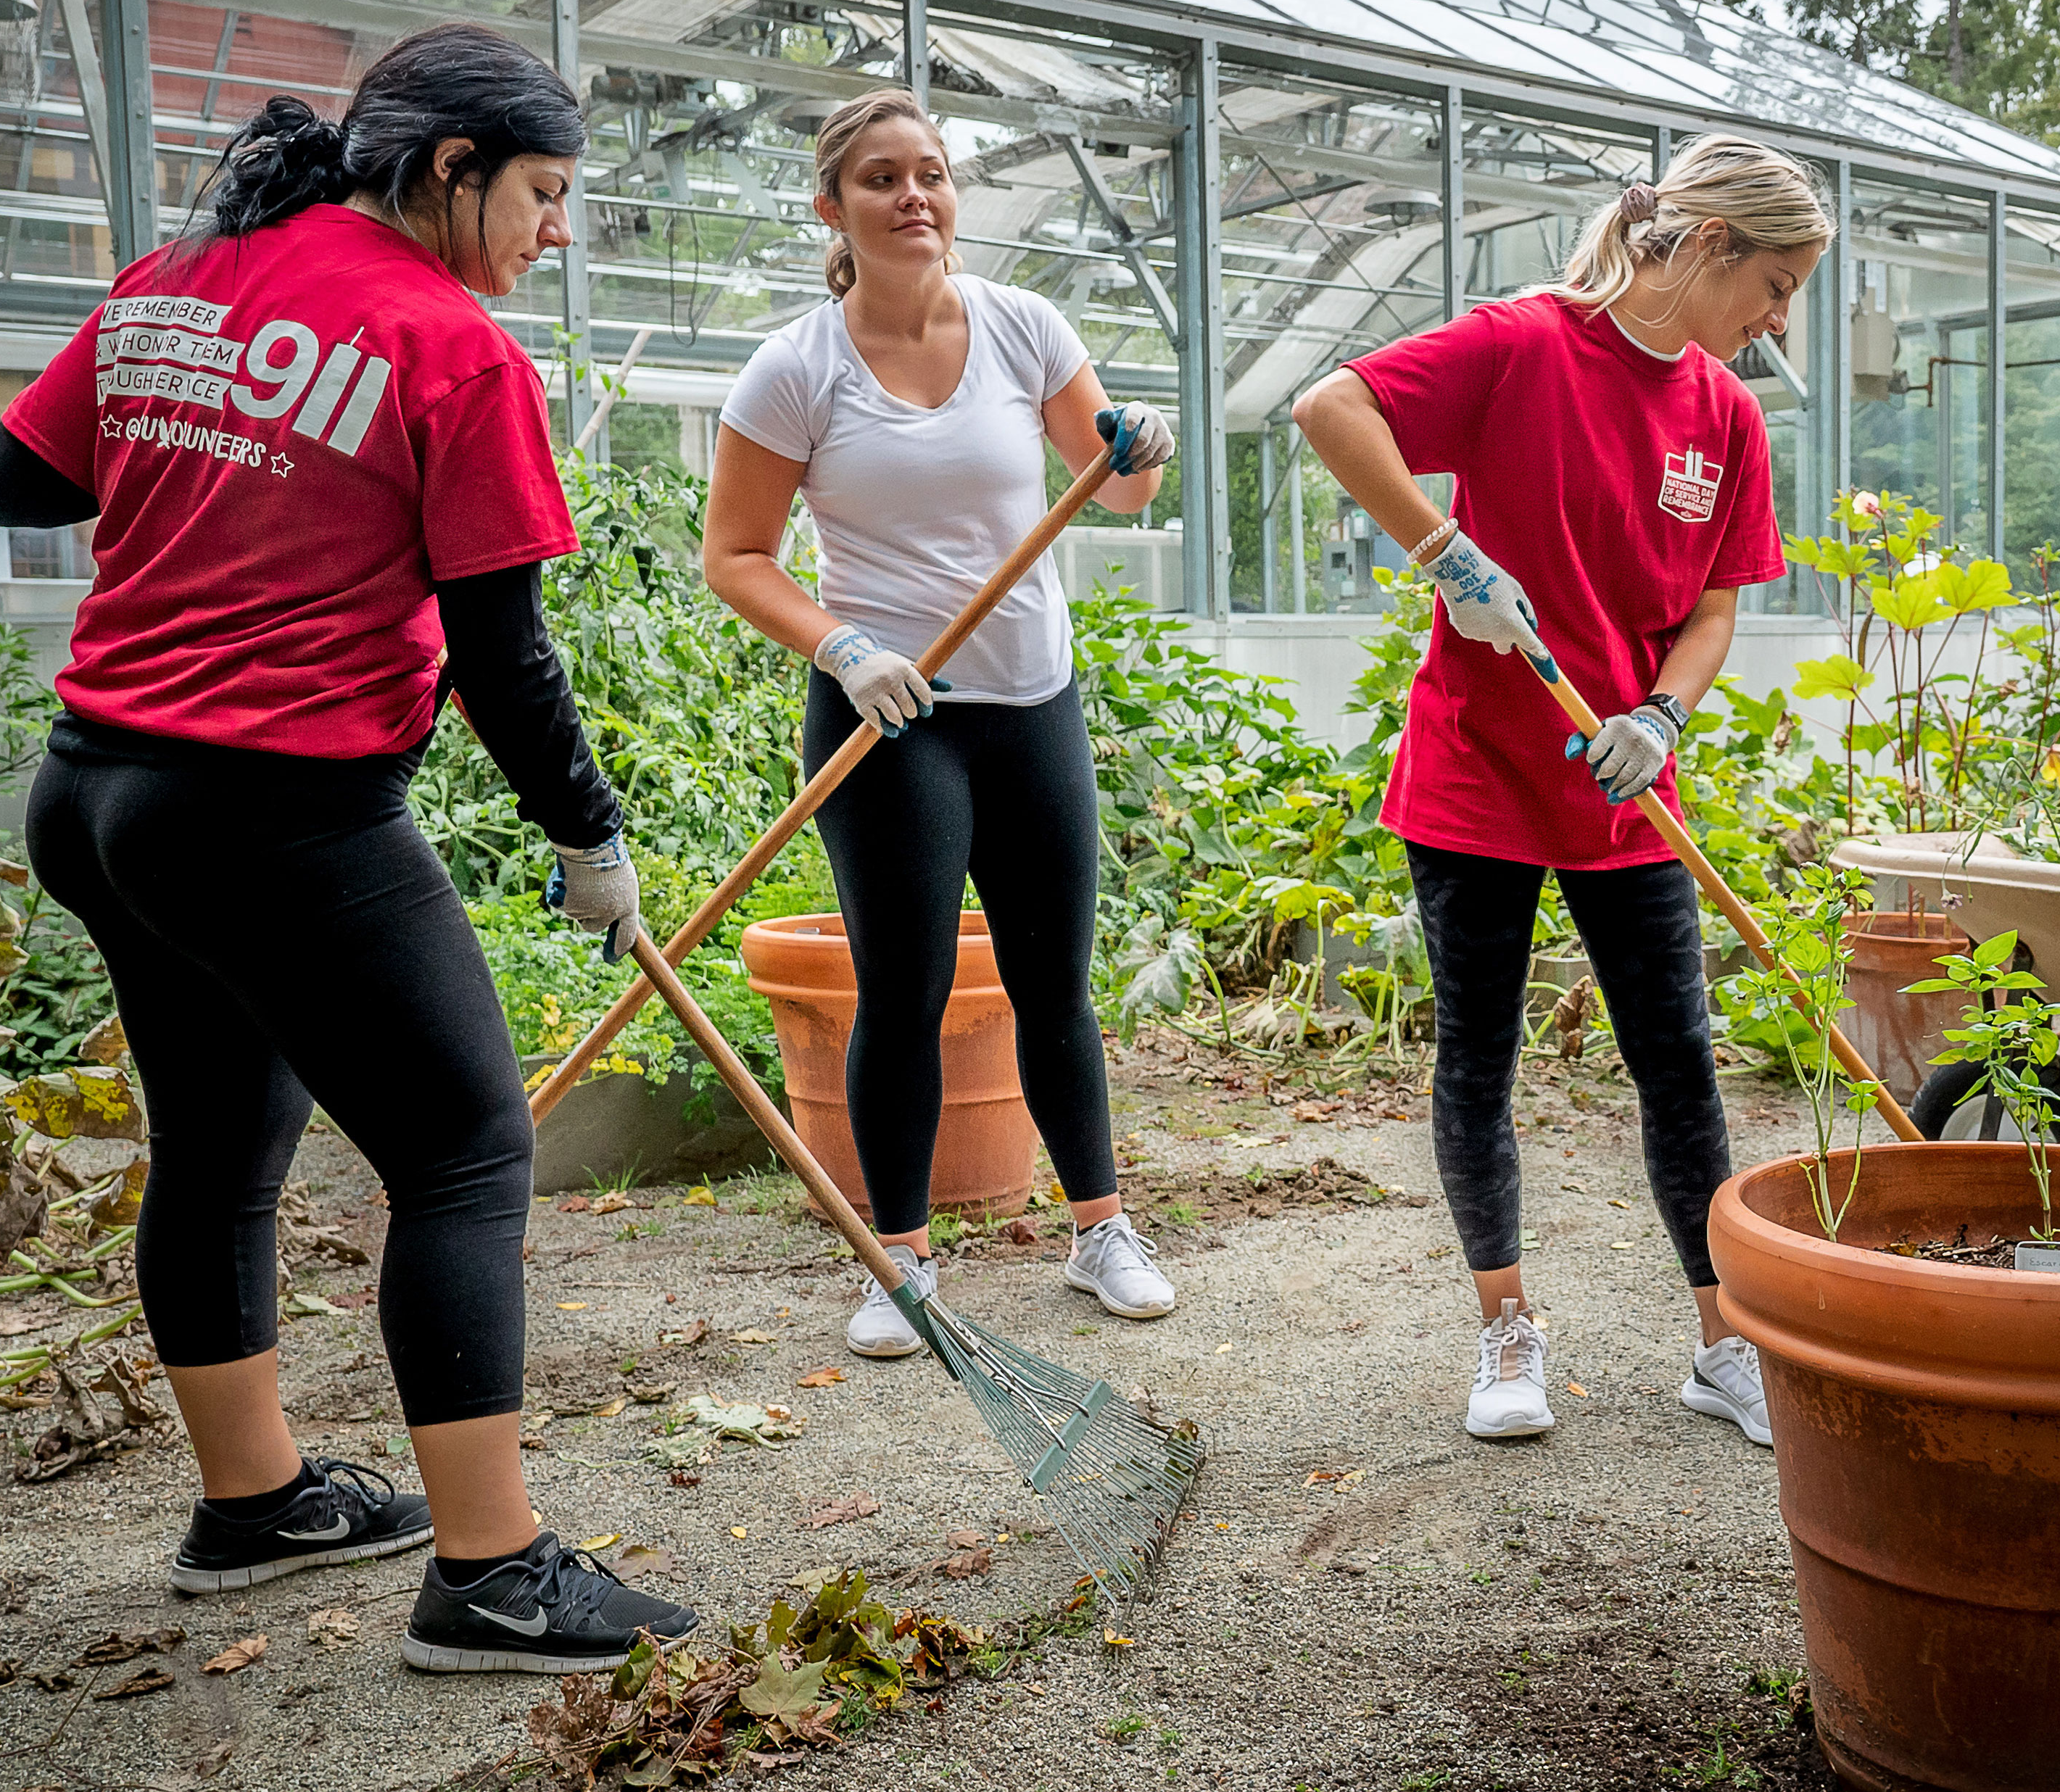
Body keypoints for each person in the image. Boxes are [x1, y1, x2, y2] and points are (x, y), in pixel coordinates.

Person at [0, 28, 703, 1674]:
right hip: (273, 811)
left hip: (99, 795)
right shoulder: (449, 346)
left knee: (224, 1145)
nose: (556, 231)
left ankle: (259, 1504)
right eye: (543, 192)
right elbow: (506, 653)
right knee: (461, 1151)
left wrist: (211, 431)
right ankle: (493, 1573)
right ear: (452, 169)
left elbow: (18, 477)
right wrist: (590, 839)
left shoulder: (187, 269)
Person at [1291, 133, 1829, 1445]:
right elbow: (1329, 407)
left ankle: (1725, 1344)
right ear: (1707, 244)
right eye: (1774, 284)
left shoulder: (1727, 414)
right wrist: (1448, 555)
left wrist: (1662, 714)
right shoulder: (1524, 344)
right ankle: (1505, 1332)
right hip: (1478, 769)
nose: (1778, 319)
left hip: (1623, 782)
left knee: (1680, 1064)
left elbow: (1712, 610)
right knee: (1481, 1055)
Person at [702, 87, 1178, 1358]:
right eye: (881, 179)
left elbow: (1115, 486)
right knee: (902, 993)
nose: (915, 195)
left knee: (1051, 984)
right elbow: (738, 555)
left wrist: (1144, 445)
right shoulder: (797, 365)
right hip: (891, 715)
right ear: (833, 210)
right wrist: (844, 646)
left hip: (1032, 703)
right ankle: (899, 1262)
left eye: (933, 174)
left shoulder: (1026, 329)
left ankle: (1100, 1230)